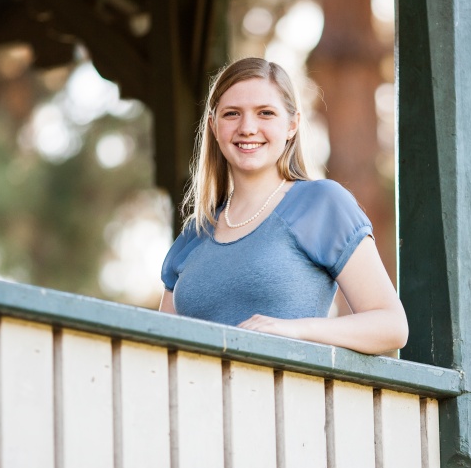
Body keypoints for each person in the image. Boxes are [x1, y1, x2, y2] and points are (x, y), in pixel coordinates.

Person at [159, 57, 408, 355]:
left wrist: (294, 329)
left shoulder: (321, 204)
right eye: (231, 114)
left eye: (265, 113)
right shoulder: (195, 232)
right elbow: (161, 348)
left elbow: (392, 326)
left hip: (284, 399)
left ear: (292, 125)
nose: (247, 127)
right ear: (213, 126)